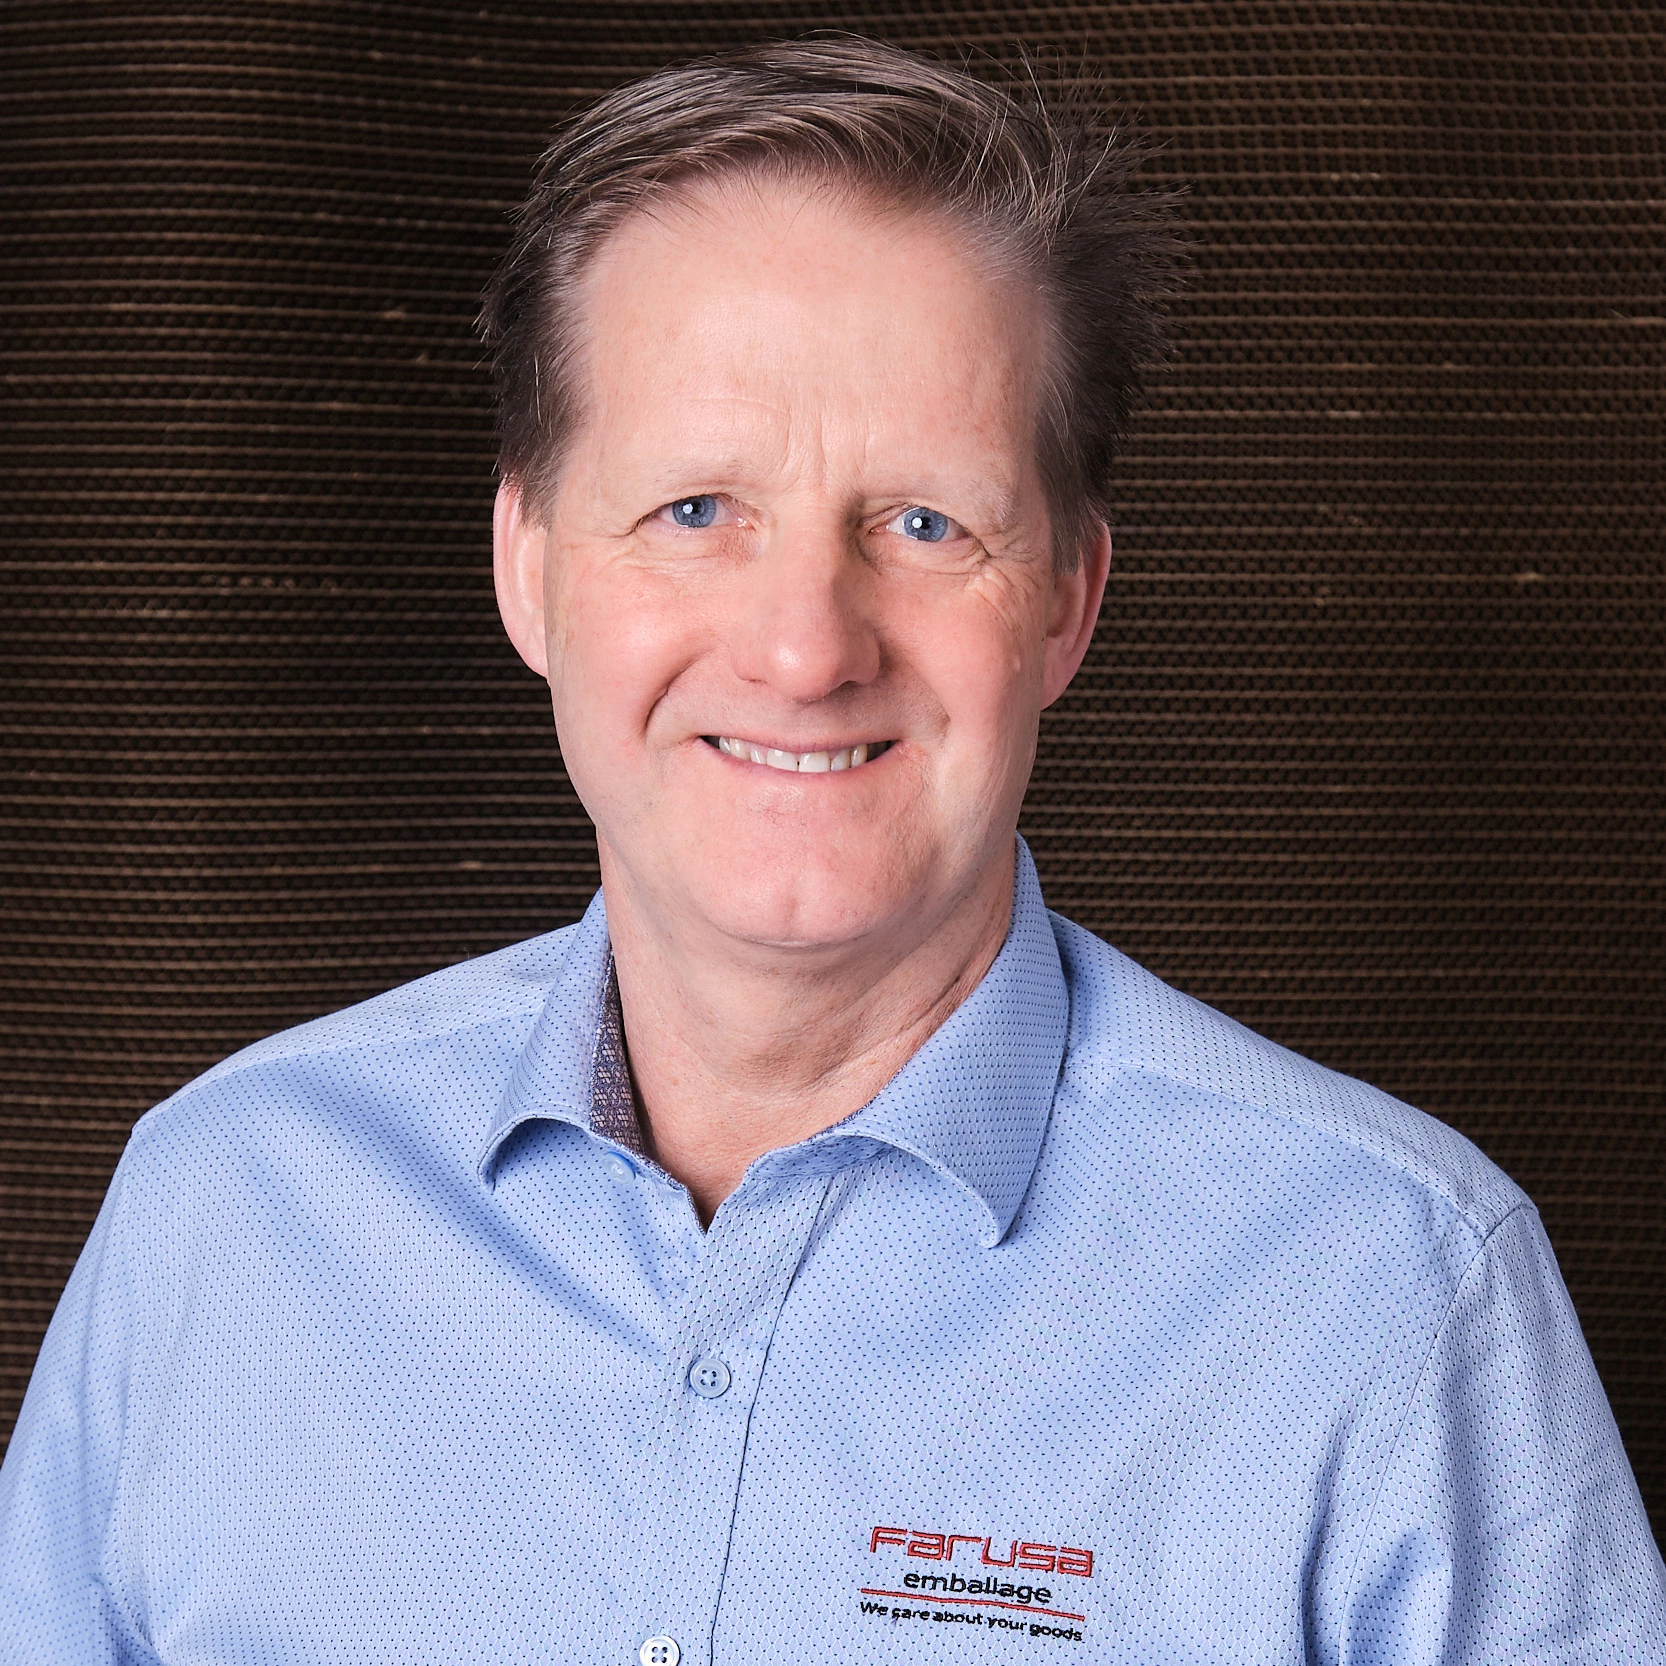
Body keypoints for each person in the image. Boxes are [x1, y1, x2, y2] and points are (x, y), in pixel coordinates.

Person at [1, 35, 1661, 1666]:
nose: (804, 648)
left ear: (1066, 602)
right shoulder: (220, 1209)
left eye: (925, 523)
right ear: (528, 566)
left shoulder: (1384, 1287)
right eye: (694, 511)